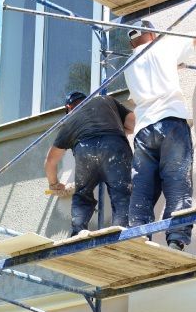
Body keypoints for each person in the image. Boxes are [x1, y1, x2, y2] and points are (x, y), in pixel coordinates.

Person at [124, 21, 196, 251]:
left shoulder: (128, 64)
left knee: (142, 185)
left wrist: (172, 67)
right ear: (152, 33)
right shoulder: (164, 47)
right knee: (177, 182)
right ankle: (176, 239)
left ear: (132, 41)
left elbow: (139, 93)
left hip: (144, 131)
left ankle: (138, 235)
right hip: (170, 123)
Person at [45, 91, 135, 236]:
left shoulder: (70, 120)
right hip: (114, 146)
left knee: (83, 194)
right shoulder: (106, 101)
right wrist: (115, 127)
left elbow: (50, 161)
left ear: (69, 107)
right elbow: (132, 122)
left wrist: (54, 184)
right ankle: (122, 230)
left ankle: (78, 232)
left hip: (85, 150)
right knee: (121, 192)